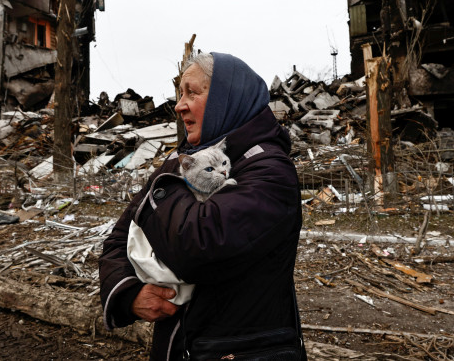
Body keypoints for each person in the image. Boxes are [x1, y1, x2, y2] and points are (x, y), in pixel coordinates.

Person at [98, 52, 305, 360]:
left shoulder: (270, 172)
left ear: (227, 98)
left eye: (191, 93)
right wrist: (128, 292)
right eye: (179, 94)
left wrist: (166, 187)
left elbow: (199, 245)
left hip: (243, 352)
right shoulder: (187, 159)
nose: (179, 105)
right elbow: (119, 238)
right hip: (178, 346)